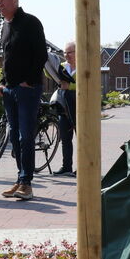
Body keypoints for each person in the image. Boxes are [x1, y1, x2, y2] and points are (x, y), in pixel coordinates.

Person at [0, 0, 47, 200]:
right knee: (14, 137)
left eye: (2, 1)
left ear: (14, 1)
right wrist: (2, 84)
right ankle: (21, 179)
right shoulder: (5, 27)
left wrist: (29, 81)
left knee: (25, 136)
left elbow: (41, 54)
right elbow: (7, 60)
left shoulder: (31, 23)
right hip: (9, 91)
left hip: (27, 90)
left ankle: (27, 183)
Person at [54, 39, 77, 175]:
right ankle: (66, 166)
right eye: (65, 53)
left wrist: (70, 86)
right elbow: (49, 73)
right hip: (64, 107)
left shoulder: (85, 66)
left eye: (70, 52)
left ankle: (82, 168)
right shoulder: (62, 66)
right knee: (65, 138)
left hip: (79, 107)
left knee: (82, 138)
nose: (66, 55)